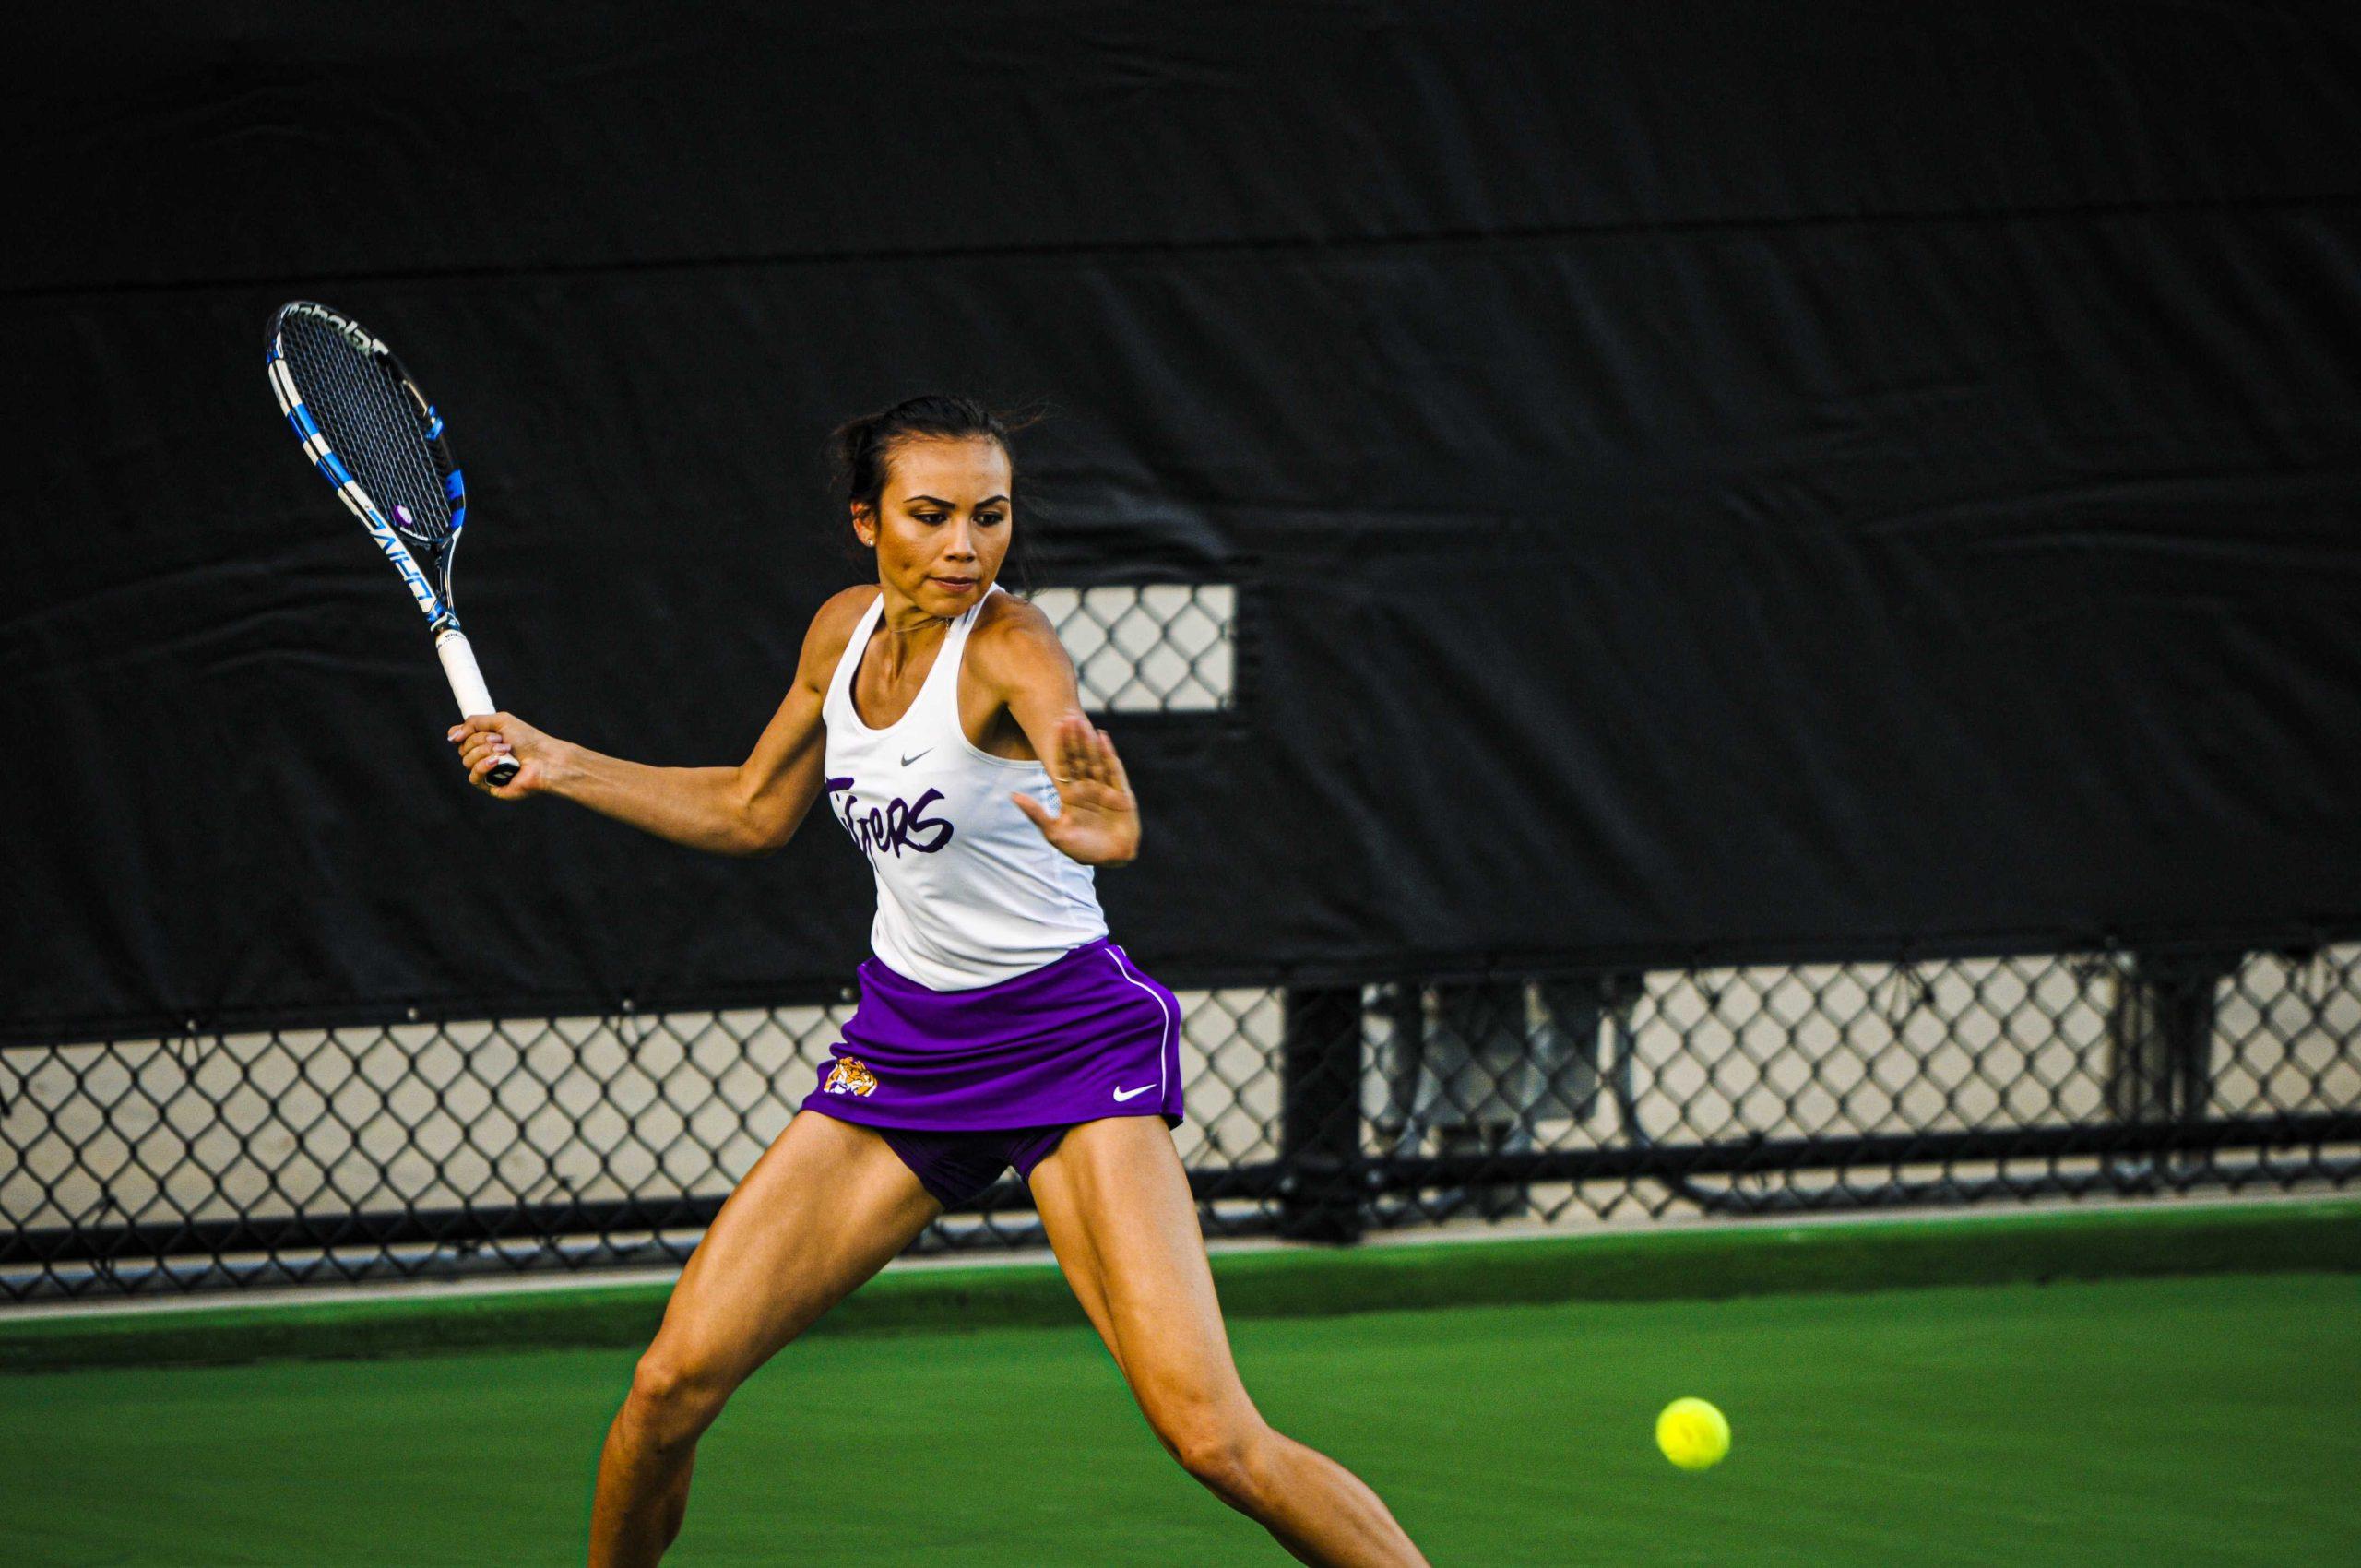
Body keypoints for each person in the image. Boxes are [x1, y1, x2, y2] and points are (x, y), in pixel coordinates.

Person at [448, 396, 1431, 1568]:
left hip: (1070, 1048)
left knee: (1211, 1437)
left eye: (990, 515)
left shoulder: (1011, 645)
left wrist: (1103, 819)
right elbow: (755, 808)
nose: (966, 546)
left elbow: (1064, 731)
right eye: (931, 516)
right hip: (906, 1050)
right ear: (867, 521)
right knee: (668, 1384)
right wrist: (559, 761)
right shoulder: (839, 634)